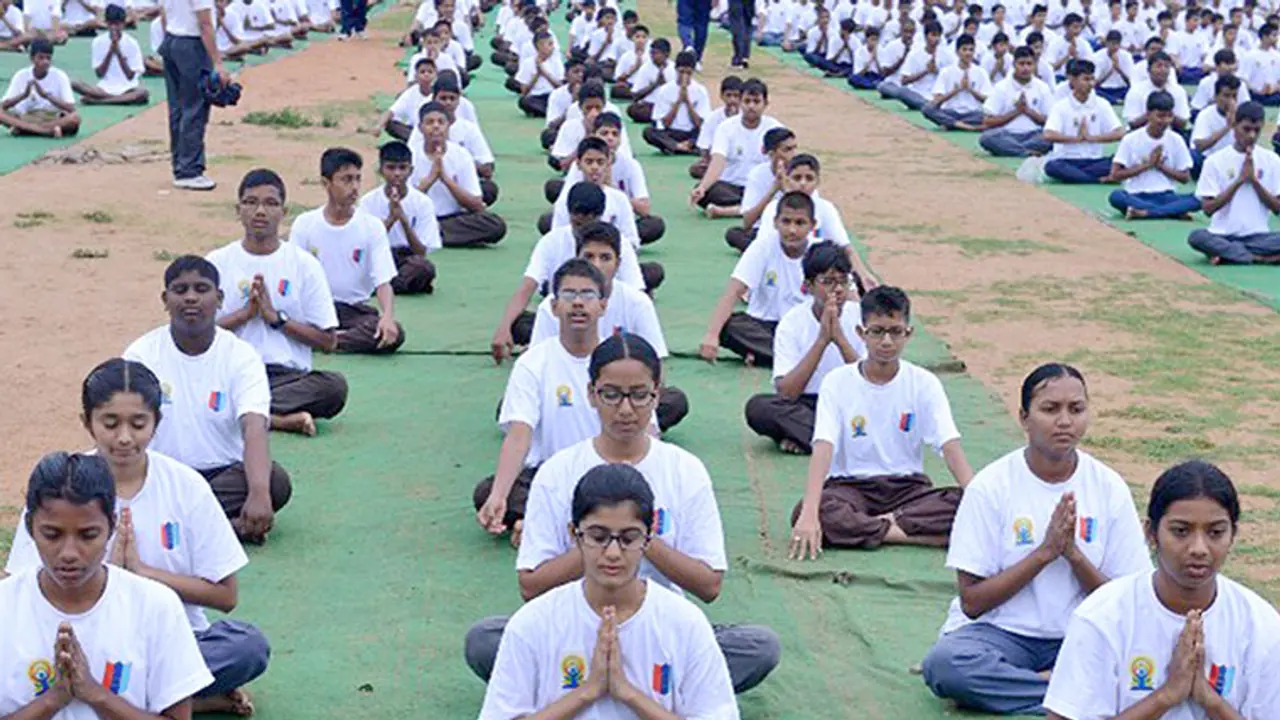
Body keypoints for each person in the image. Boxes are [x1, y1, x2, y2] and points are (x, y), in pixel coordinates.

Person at [467, 335, 779, 694]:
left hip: (659, 631)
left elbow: (709, 585)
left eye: (639, 395)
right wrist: (598, 541)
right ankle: (641, 690)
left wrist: (639, 537)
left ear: (657, 395)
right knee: (485, 640)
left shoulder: (684, 470)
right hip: (575, 630)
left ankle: (593, 689)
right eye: (611, 395)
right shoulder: (558, 471)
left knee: (758, 646)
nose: (626, 409)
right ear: (591, 394)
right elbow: (530, 586)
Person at [4, 360, 271, 716]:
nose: (124, 437)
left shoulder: (186, 487)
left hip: (164, 641)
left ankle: (170, 692)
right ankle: (177, 697)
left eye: (138, 423)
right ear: (87, 422)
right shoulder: (58, 490)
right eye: (110, 423)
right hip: (53, 645)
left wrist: (139, 574)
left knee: (245, 646)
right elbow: (19, 591)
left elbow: (226, 595)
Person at [920, 363, 1152, 715]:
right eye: (1050, 409)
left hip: (1081, 635)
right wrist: (1044, 553)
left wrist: (1074, 556)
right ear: (1024, 418)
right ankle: (1065, 692)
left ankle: (1029, 688)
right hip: (1002, 634)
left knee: (1152, 661)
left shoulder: (1108, 487)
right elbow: (972, 602)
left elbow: (1126, 602)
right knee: (947, 665)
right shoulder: (991, 486)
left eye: (1076, 409)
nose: (1065, 421)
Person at [477, 463, 741, 718]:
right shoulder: (533, 623)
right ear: (574, 534)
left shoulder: (685, 623)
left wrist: (628, 694)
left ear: (649, 538)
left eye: (629, 538)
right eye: (598, 537)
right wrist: (587, 692)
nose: (613, 552)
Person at [1044, 460, 1280, 719]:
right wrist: (1166, 695)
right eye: (1181, 531)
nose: (1199, 548)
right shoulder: (1102, 616)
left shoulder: (1261, 625)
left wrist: (1210, 700)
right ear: (1151, 533)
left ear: (1233, 534)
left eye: (1215, 532)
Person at [0, 452, 214, 719]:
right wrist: (53, 699)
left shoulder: (156, 606)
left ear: (112, 527)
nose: (69, 553)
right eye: (52, 535)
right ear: (30, 527)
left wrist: (95, 694)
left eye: (88, 535)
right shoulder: (5, 607)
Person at [789, 286, 976, 559]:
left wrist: (976, 498)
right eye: (877, 331)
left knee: (964, 503)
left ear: (908, 333)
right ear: (861, 333)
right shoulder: (837, 382)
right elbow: (823, 446)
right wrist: (809, 512)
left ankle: (870, 528)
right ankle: (911, 534)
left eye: (895, 331)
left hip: (908, 490)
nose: (886, 341)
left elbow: (949, 445)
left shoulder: (924, 383)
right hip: (850, 488)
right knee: (811, 510)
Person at [124, 256, 293, 544]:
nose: (191, 298)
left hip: (222, 477)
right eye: (180, 290)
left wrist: (259, 493)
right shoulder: (141, 355)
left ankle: (173, 531)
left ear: (220, 298)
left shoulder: (241, 355)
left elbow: (254, 426)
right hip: (162, 476)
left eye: (201, 289)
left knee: (273, 482)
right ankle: (222, 531)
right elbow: (125, 429)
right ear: (165, 300)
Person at [474, 260, 614, 544]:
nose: (578, 303)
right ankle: (573, 524)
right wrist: (499, 495)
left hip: (609, 472)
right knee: (488, 492)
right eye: (568, 294)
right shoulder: (533, 362)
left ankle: (545, 524)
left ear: (603, 305)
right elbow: (519, 435)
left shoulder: (619, 359)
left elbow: (647, 432)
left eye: (587, 294)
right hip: (550, 475)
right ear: (553, 306)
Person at [208, 169, 350, 435]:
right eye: (251, 202)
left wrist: (276, 319)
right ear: (238, 210)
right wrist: (244, 314)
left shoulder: (304, 264)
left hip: (287, 378)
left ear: (284, 212)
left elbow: (328, 341)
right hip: (233, 373)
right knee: (199, 387)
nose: (260, 211)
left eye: (270, 203)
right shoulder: (216, 262)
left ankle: (245, 413)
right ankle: (278, 420)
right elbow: (196, 334)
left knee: (333, 387)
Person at [527, 223, 688, 432]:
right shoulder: (552, 306)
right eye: (589, 257)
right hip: (565, 392)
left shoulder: (637, 302)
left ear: (618, 263)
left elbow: (656, 364)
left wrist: (641, 402)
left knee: (673, 401)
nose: (597, 265)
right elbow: (538, 364)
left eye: (605, 258)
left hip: (621, 394)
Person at [492, 185, 648, 356]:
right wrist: (504, 328)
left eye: (604, 258)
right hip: (567, 317)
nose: (583, 231)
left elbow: (636, 293)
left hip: (609, 323)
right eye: (578, 224)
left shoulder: (620, 243)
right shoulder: (551, 241)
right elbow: (527, 287)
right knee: (519, 322)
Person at [745, 242, 865, 455]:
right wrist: (822, 341)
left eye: (843, 282)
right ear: (809, 286)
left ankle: (806, 438)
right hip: (807, 405)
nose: (837, 290)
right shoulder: (792, 322)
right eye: (828, 282)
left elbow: (870, 384)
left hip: (851, 404)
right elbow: (787, 392)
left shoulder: (862, 317)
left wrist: (840, 339)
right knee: (759, 408)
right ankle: (839, 441)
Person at [291, 148, 404, 356]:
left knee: (392, 332)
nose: (354, 187)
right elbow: (294, 277)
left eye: (357, 179)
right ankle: (322, 338)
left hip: (354, 311)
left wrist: (387, 317)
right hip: (316, 309)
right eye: (346, 180)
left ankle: (326, 340)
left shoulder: (372, 226)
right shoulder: (304, 224)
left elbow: (383, 281)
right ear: (326, 183)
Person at [698, 191, 818, 367]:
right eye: (786, 222)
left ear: (812, 225)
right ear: (775, 222)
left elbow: (846, 295)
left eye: (800, 223)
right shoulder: (762, 246)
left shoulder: (819, 251)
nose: (792, 230)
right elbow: (734, 290)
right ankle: (800, 359)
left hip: (803, 326)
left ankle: (767, 355)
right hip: (764, 326)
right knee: (729, 326)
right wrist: (711, 335)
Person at [1188, 101, 1280, 265]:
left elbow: (1277, 208)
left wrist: (1254, 182)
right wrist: (1239, 181)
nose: (1251, 136)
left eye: (1256, 130)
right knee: (1197, 237)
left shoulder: (1272, 160)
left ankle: (1229, 254)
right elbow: (1208, 209)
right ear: (1234, 126)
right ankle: (1257, 258)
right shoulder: (1215, 161)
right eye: (1246, 129)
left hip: (1259, 237)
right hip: (1222, 235)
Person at [412, 101, 508, 247]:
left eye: (441, 122)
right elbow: (405, 204)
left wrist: (445, 179)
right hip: (421, 218)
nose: (436, 127)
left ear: (449, 125)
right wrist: (431, 178)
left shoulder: (461, 155)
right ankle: (431, 233)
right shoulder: (411, 155)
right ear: (420, 128)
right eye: (430, 122)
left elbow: (477, 206)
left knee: (495, 225)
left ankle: (432, 234)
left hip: (452, 219)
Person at [160, 0, 230, 190]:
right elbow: (205, 24)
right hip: (192, 44)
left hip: (172, 39)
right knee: (195, 107)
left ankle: (180, 164)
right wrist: (218, 62)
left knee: (177, 108)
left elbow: (163, 14)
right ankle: (189, 169)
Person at [689, 78, 782, 218]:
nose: (751, 106)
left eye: (756, 101)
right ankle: (751, 208)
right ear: (740, 102)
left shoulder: (775, 129)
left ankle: (730, 210)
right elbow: (717, 161)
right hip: (731, 187)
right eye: (747, 101)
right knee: (704, 191)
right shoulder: (725, 128)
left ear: (765, 104)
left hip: (760, 187)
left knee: (779, 195)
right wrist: (702, 187)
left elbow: (783, 162)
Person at [359, 140, 440, 295]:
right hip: (378, 257)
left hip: (406, 259)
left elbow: (421, 252)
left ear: (411, 170)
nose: (397, 173)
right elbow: (365, 247)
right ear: (380, 170)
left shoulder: (423, 202)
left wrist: (403, 220)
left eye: (402, 168)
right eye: (391, 168)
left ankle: (380, 286)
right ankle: (392, 284)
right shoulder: (368, 202)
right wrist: (391, 219)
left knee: (423, 268)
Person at [1107, 91, 1201, 220]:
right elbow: (1115, 175)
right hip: (1136, 195)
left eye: (1169, 116)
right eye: (1160, 116)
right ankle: (1172, 211)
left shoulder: (1176, 139)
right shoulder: (1131, 139)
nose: (1165, 121)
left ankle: (1146, 213)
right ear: (1148, 114)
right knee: (1116, 196)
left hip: (1166, 196)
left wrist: (1161, 166)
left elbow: (1185, 178)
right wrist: (1147, 165)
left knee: (1198, 199)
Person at [1043, 59, 1126, 183]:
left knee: (1120, 163)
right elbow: (1048, 134)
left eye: (1092, 79)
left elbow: (1120, 132)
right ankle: (1096, 180)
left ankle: (1079, 177)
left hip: (1094, 160)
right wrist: (1076, 139)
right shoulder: (1061, 106)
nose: (1091, 84)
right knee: (1052, 166)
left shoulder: (1102, 104)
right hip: (1067, 160)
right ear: (1072, 80)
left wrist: (1092, 138)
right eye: (1086, 79)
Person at [727, 126, 797, 252]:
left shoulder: (800, 173)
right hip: (763, 231)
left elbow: (807, 211)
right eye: (787, 150)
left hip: (795, 230)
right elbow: (747, 222)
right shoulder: (758, 174)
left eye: (794, 148)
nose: (793, 155)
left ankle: (762, 252)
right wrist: (774, 189)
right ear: (771, 154)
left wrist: (786, 190)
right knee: (733, 234)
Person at [979, 46, 1055, 157]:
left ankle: (1014, 150)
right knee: (987, 137)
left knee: (1051, 137)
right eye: (1021, 64)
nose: (1026, 68)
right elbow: (987, 121)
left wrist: (1028, 111)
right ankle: (1025, 151)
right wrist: (1016, 112)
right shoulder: (1001, 87)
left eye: (1029, 64)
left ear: (1035, 65)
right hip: (1007, 134)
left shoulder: (1042, 87)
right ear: (1014, 64)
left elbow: (1050, 121)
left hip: (1033, 134)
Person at [70, 5, 149, 105]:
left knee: (143, 93)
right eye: (111, 24)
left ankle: (101, 101)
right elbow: (100, 74)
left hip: (128, 88)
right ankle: (120, 100)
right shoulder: (98, 42)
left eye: (117, 24)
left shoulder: (132, 43)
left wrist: (118, 52)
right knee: (75, 84)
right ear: (106, 23)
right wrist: (110, 51)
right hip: (105, 88)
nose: (113, 28)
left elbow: (130, 76)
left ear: (123, 24)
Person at [0, 38, 79, 137]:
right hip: (26, 117)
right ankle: (45, 132)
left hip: (52, 118)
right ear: (32, 58)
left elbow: (71, 108)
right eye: (41, 58)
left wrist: (46, 95)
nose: (45, 62)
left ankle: (24, 129)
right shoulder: (21, 75)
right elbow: (4, 105)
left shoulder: (60, 76)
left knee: (74, 119)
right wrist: (23, 95)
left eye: (48, 58)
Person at [642, 49, 709, 155]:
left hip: (691, 133)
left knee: (708, 132)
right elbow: (664, 124)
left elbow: (700, 123)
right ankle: (679, 147)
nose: (684, 76)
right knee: (649, 132)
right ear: (676, 70)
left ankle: (680, 146)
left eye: (688, 73)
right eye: (681, 72)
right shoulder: (665, 90)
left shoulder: (700, 91)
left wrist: (687, 101)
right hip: (672, 132)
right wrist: (678, 101)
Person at [924, 33, 993, 130]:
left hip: (973, 113)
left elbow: (988, 100)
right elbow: (937, 101)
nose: (968, 53)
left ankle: (951, 124)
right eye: (964, 49)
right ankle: (962, 125)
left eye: (971, 50)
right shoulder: (946, 71)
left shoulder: (981, 72)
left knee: (990, 115)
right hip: (951, 112)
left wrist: (970, 89)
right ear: (957, 52)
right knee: (927, 109)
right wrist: (955, 91)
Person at [1121, 51, 1191, 131]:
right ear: (1148, 70)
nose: (1163, 70)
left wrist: (1168, 113)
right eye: (1159, 66)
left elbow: (1183, 123)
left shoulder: (1178, 91)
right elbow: (1132, 124)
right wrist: (1152, 114)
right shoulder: (1136, 91)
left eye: (1166, 66)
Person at [690, 75, 742, 179]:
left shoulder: (747, 117)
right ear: (721, 96)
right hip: (717, 160)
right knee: (696, 169)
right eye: (728, 95)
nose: (732, 100)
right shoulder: (712, 118)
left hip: (741, 159)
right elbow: (704, 146)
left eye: (736, 96)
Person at [1191, 74, 1240, 179]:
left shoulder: (1243, 115)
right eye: (1226, 96)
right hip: (1208, 160)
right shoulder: (1205, 115)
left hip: (1232, 160)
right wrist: (1228, 127)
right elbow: (1200, 146)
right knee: (1193, 157)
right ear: (1216, 97)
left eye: (1234, 96)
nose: (1231, 101)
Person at [378, 56, 436, 141]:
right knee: (390, 123)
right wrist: (379, 126)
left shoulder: (438, 93)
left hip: (432, 131)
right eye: (422, 72)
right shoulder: (411, 92)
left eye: (430, 72)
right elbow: (391, 111)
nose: (426, 74)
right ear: (416, 76)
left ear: (435, 75)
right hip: (412, 130)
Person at [623, 38, 674, 124]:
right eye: (651, 53)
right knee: (632, 109)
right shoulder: (645, 68)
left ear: (666, 54)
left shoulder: (675, 69)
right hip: (650, 106)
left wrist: (665, 85)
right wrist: (655, 84)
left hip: (669, 106)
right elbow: (635, 95)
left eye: (656, 53)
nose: (652, 56)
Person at [515, 29, 563, 117]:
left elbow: (560, 87)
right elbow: (524, 91)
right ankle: (549, 112)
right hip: (536, 97)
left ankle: (546, 112)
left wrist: (544, 73)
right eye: (550, 44)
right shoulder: (528, 63)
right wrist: (537, 74)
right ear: (539, 46)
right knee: (523, 101)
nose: (553, 47)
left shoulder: (556, 62)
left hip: (552, 95)